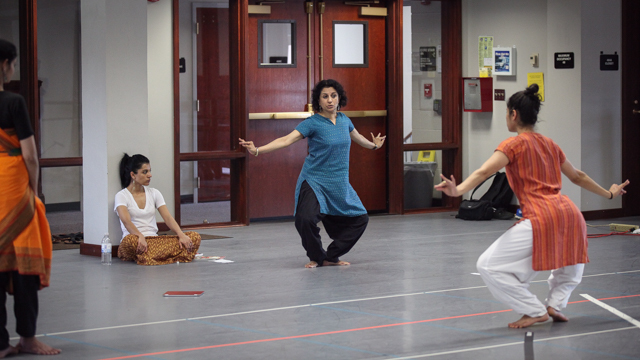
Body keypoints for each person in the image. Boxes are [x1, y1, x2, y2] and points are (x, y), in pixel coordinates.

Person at [435, 84, 629, 328]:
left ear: (513, 114)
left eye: (507, 113)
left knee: (487, 265)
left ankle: (534, 310)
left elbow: (484, 171)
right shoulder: (550, 144)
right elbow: (577, 176)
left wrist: (458, 191)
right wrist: (610, 195)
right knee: (569, 268)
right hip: (570, 214)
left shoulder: (512, 145)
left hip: (541, 216)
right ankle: (555, 305)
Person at [239, 79, 386, 268]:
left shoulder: (344, 120)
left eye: (333, 95)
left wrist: (374, 146)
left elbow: (358, 138)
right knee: (305, 219)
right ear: (318, 101)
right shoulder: (312, 123)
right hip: (314, 180)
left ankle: (331, 256)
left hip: (339, 182)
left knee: (360, 219)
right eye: (325, 96)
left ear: (339, 98)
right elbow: (286, 140)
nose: (330, 100)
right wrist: (257, 150)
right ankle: (316, 256)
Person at [0, 39, 61, 356]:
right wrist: (35, 192)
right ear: (6, 64)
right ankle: (27, 338)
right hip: (14, 193)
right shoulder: (13, 102)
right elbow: (30, 155)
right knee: (24, 269)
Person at [115, 154, 201, 265]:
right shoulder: (122, 196)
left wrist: (181, 234)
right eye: (145, 172)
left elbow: (168, 218)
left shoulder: (154, 193)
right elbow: (126, 221)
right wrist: (140, 236)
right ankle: (167, 256)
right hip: (135, 240)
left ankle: (149, 256)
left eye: (150, 171)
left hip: (154, 241)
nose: (150, 175)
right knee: (131, 241)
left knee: (194, 237)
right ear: (133, 175)